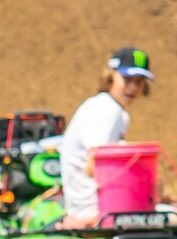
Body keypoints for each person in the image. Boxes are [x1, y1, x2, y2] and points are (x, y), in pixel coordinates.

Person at [56, 48, 154, 228]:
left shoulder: (116, 112)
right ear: (111, 76)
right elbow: (98, 166)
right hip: (96, 210)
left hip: (101, 206)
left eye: (139, 82)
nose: (133, 88)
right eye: (127, 79)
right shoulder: (105, 110)